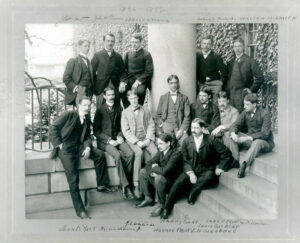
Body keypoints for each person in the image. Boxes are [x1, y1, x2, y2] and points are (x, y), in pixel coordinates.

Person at [49, 96, 111, 219]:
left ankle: (101, 184)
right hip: (66, 149)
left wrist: (88, 148)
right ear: (79, 105)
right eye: (85, 105)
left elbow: (87, 136)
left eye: (89, 105)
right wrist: (59, 144)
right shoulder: (69, 114)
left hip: (79, 147)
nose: (87, 108)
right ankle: (80, 210)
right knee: (73, 178)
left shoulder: (87, 119)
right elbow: (53, 127)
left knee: (99, 154)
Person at [161, 118, 234, 219]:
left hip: (206, 169)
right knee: (178, 182)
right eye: (191, 127)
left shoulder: (211, 139)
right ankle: (167, 208)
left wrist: (220, 167)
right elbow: (185, 160)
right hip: (191, 169)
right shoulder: (187, 141)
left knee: (209, 176)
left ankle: (192, 192)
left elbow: (226, 153)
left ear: (203, 129)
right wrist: (190, 173)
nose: (193, 130)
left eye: (196, 128)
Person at [93, 87, 135, 199]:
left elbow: (123, 126)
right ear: (105, 96)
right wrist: (108, 140)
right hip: (105, 142)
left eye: (113, 94)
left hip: (118, 138)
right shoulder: (100, 110)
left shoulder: (119, 108)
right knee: (117, 155)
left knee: (130, 154)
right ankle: (126, 186)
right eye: (109, 95)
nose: (112, 97)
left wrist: (120, 136)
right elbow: (96, 131)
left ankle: (124, 182)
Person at [224, 93, 275, 178]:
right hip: (249, 140)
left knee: (257, 142)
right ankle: (236, 159)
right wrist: (233, 134)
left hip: (264, 142)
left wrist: (247, 138)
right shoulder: (245, 113)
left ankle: (244, 164)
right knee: (228, 135)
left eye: (247, 104)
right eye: (244, 104)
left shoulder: (265, 114)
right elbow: (235, 125)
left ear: (254, 104)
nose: (244, 106)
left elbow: (265, 134)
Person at [121, 89, 158, 198]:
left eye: (135, 98)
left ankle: (155, 180)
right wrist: (137, 141)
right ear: (128, 99)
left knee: (155, 152)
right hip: (134, 140)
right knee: (139, 154)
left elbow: (151, 125)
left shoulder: (145, 109)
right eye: (131, 98)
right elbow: (125, 131)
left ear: (138, 98)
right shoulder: (125, 112)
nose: (134, 100)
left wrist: (147, 139)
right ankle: (136, 184)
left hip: (146, 137)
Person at [136, 134, 182, 218]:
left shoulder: (175, 154)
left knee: (158, 178)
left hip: (170, 184)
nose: (158, 146)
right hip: (161, 179)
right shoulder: (161, 152)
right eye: (157, 143)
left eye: (161, 144)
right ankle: (148, 198)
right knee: (143, 172)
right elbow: (149, 163)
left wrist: (155, 167)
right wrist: (151, 173)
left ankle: (161, 205)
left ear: (168, 143)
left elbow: (164, 171)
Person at [225, 37, 264, 112]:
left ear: (243, 47)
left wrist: (251, 90)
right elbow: (227, 78)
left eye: (239, 46)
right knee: (232, 115)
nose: (237, 49)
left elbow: (260, 77)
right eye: (235, 46)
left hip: (242, 94)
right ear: (233, 48)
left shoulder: (250, 61)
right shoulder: (231, 62)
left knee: (242, 116)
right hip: (231, 94)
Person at [91, 33, 124, 108]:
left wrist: (122, 82)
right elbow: (92, 72)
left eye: (112, 41)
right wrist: (95, 85)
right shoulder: (97, 55)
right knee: (101, 109)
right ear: (104, 42)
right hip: (101, 87)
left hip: (115, 86)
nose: (110, 43)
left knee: (116, 108)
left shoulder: (118, 56)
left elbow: (123, 72)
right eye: (108, 41)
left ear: (114, 42)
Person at [120, 33, 154, 107]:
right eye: (132, 42)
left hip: (141, 80)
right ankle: (127, 110)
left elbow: (149, 72)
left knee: (140, 92)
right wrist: (123, 82)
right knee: (122, 90)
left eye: (136, 42)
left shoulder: (146, 54)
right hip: (129, 79)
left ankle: (139, 110)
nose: (133, 44)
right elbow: (123, 70)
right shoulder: (128, 54)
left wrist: (137, 82)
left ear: (141, 42)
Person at [155, 74, 190, 146]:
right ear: (168, 84)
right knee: (167, 145)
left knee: (186, 142)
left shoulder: (184, 98)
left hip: (179, 126)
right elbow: (158, 114)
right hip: (167, 127)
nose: (174, 85)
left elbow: (187, 116)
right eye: (171, 83)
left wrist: (182, 130)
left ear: (178, 83)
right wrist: (162, 124)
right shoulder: (163, 98)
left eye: (175, 83)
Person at [196, 35, 227, 102]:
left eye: (208, 44)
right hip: (202, 83)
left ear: (211, 45)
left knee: (216, 103)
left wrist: (221, 82)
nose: (206, 46)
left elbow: (224, 71)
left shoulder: (216, 56)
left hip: (214, 83)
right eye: (204, 43)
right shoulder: (197, 56)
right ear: (201, 44)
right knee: (200, 102)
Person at [63, 40, 93, 106]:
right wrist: (76, 88)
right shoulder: (73, 61)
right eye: (85, 46)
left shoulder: (89, 61)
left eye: (88, 46)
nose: (87, 48)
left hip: (89, 92)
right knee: (81, 114)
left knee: (87, 113)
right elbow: (65, 78)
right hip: (79, 93)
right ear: (79, 47)